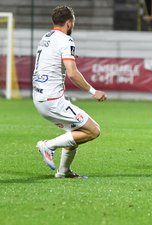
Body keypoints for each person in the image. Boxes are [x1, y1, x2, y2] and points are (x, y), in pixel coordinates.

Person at [32, 6, 107, 178]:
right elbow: (72, 73)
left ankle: (64, 171)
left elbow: (52, 59)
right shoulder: (66, 40)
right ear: (69, 22)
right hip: (53, 101)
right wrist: (93, 91)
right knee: (93, 130)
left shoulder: (46, 37)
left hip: (40, 97)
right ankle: (48, 145)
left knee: (75, 131)